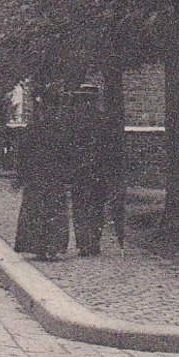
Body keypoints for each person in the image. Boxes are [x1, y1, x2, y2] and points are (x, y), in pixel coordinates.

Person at [13, 87, 71, 261]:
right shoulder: (38, 130)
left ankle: (48, 247)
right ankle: (43, 247)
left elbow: (67, 154)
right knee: (41, 210)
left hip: (47, 177)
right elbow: (23, 154)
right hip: (42, 176)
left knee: (47, 210)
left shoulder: (56, 130)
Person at [66, 83, 113, 256]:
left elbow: (109, 146)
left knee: (94, 206)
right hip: (82, 170)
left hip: (95, 170)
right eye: (84, 99)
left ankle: (92, 242)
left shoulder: (102, 120)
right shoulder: (74, 120)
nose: (87, 103)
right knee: (83, 206)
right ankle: (86, 242)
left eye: (90, 99)